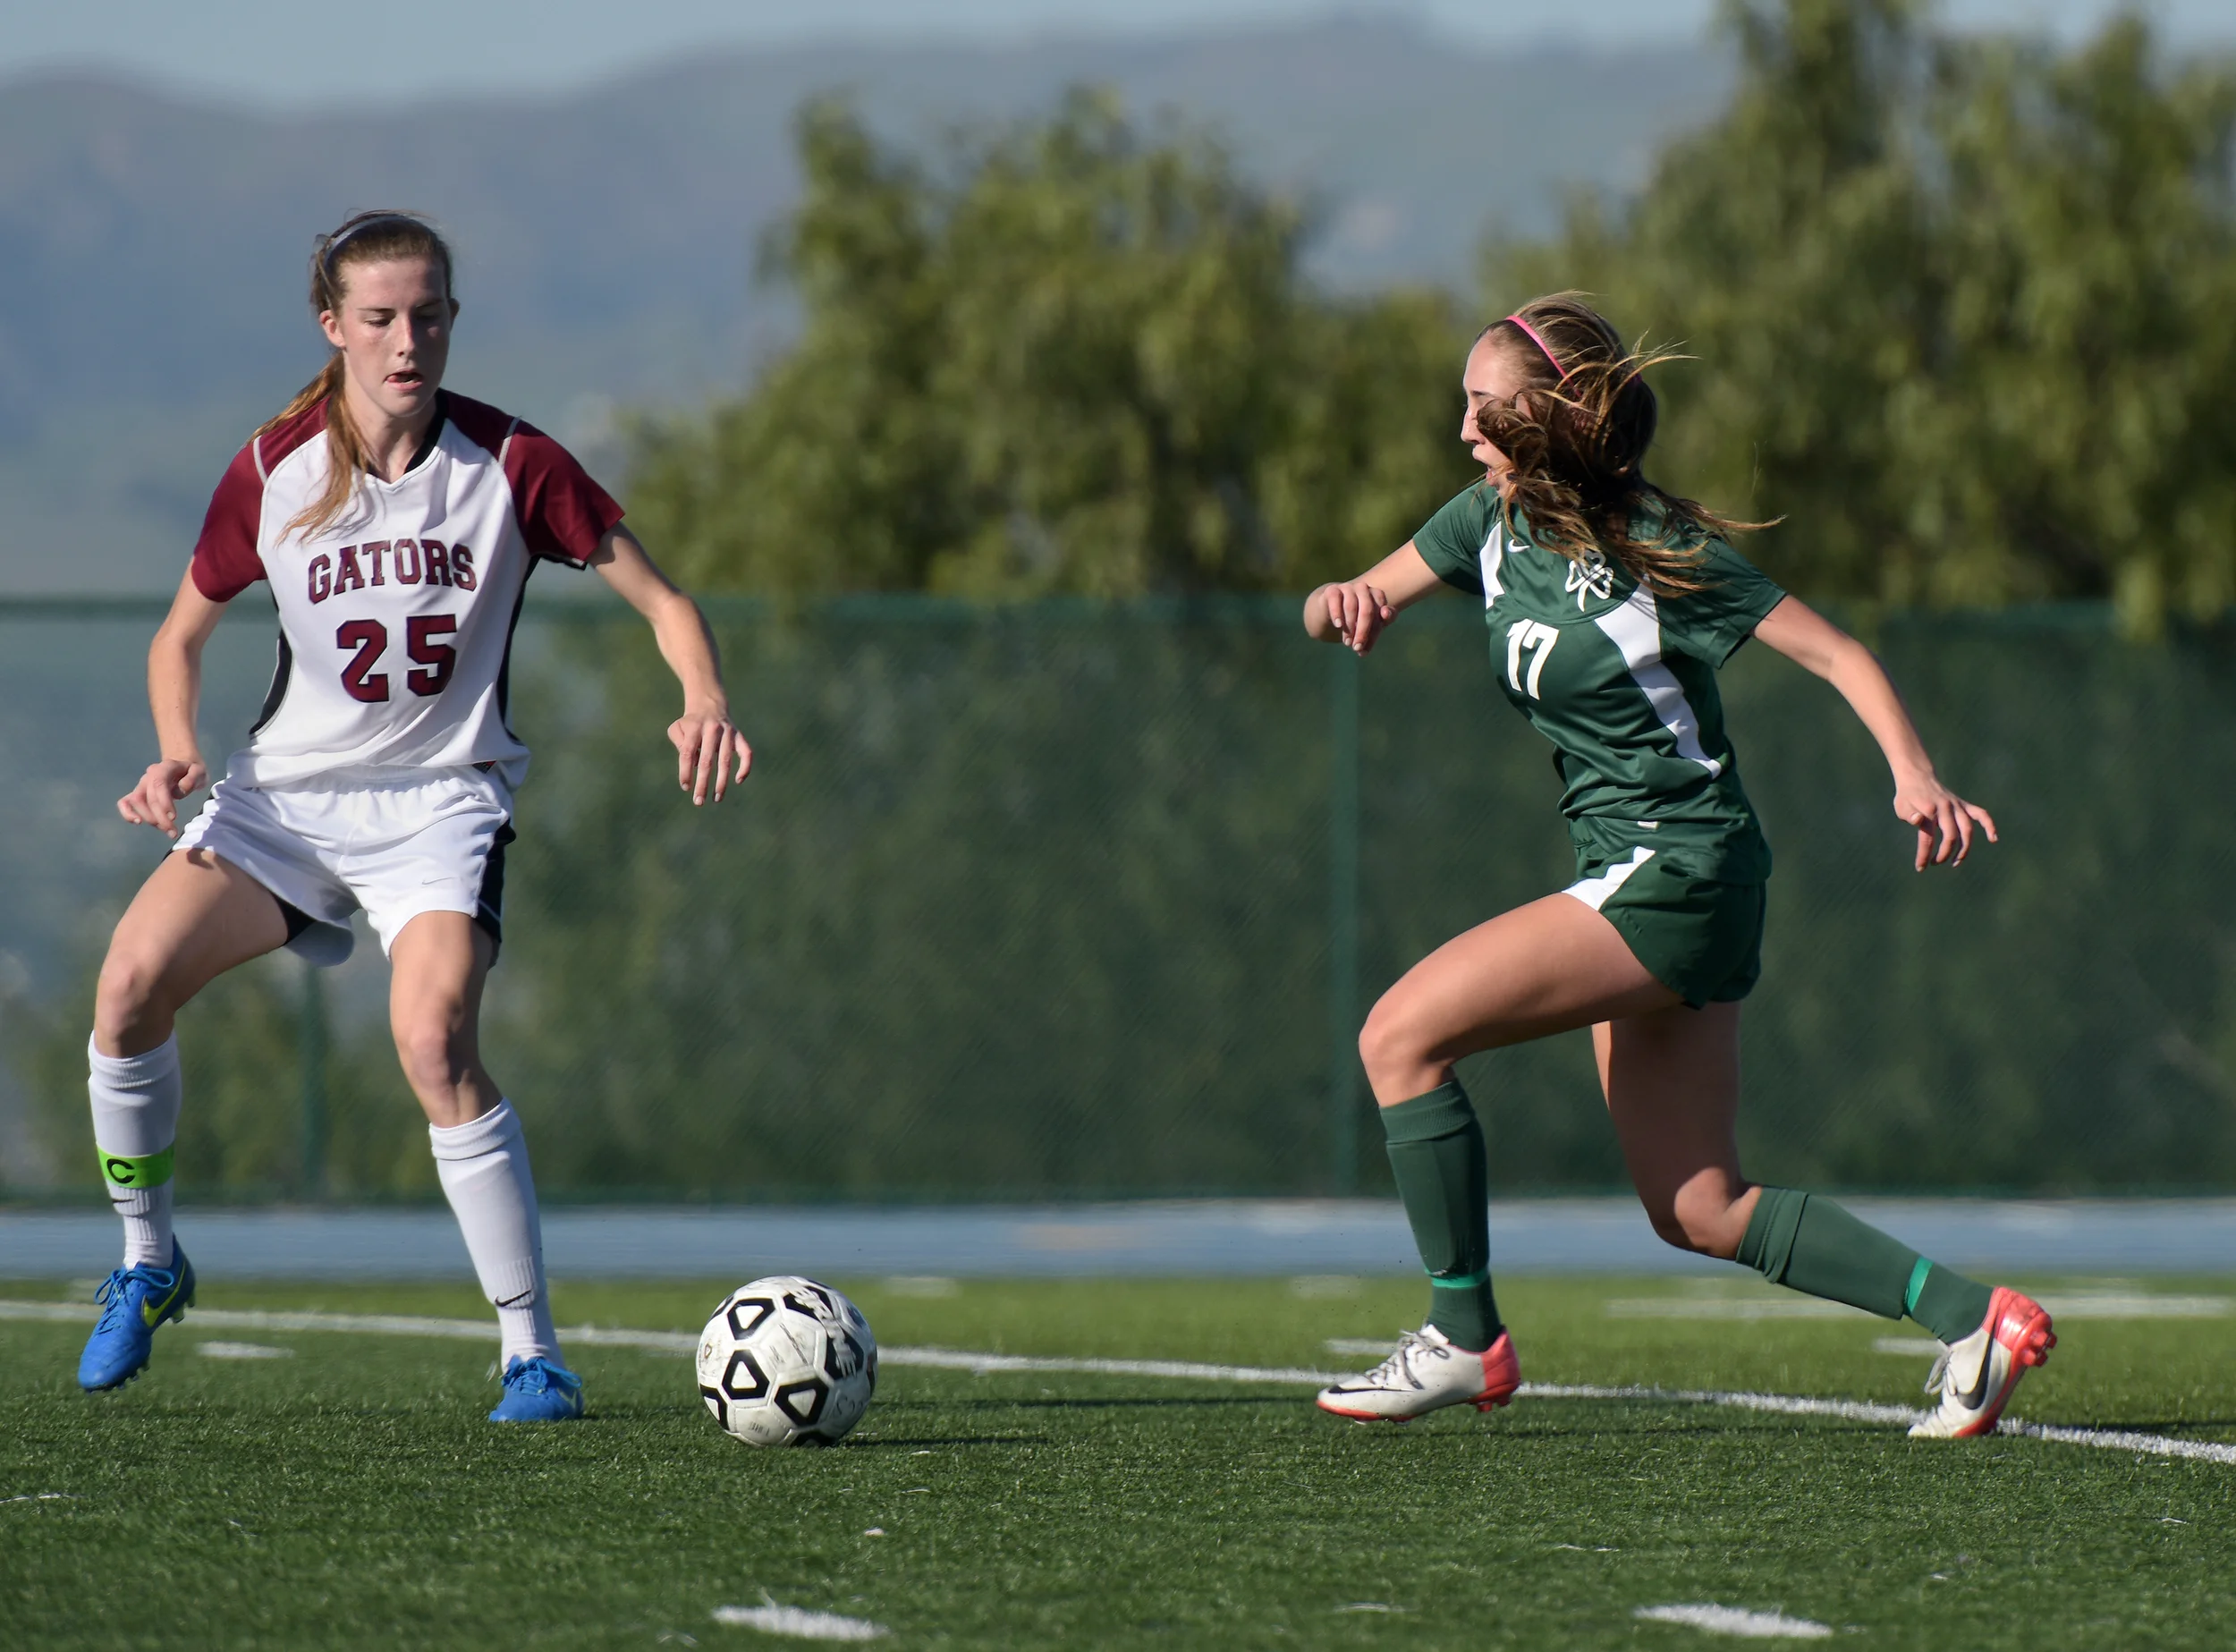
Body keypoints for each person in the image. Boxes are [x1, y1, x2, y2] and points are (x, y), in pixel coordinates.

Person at [1302, 293, 2054, 1440]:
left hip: (1676, 870)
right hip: (1654, 872)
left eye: (1481, 406)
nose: (1461, 429)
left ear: (1546, 414)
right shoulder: (1482, 523)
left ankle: (1463, 1337)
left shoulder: (1653, 546)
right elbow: (1351, 594)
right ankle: (1971, 1320)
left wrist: (1912, 773)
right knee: (1700, 1206)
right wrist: (1340, 601)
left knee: (1398, 1035)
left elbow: (1836, 649)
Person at [77, 210, 750, 1421]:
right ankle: (146, 1257)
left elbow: (666, 599)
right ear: (331, 325)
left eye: (429, 313)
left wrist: (702, 693)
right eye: (380, 317)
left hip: (442, 804)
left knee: (434, 1039)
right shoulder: (273, 466)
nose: (407, 340)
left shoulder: (515, 463)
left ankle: (531, 1352)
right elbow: (181, 635)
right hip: (284, 802)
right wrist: (180, 752)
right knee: (127, 989)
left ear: (452, 319)